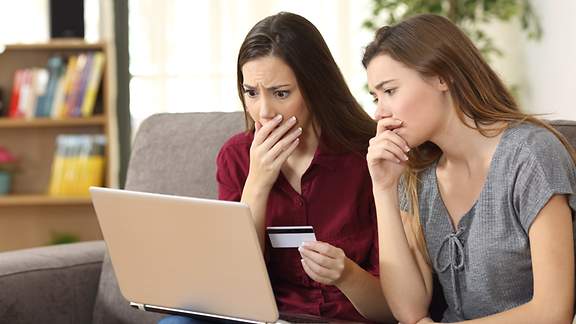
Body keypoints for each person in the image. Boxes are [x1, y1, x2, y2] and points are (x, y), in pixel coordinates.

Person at [160, 12, 394, 323]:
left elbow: (392, 310)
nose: (264, 112)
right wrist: (257, 184)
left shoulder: (369, 157)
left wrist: (347, 275)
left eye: (280, 93)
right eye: (251, 93)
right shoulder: (236, 157)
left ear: (316, 88)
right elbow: (232, 285)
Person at [364, 13, 576, 323]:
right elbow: (409, 311)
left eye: (390, 91)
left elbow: (553, 313)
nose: (379, 113)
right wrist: (382, 190)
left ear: (442, 77)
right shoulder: (417, 174)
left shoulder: (530, 155)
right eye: (375, 97)